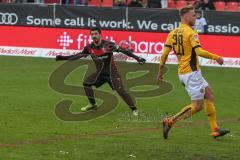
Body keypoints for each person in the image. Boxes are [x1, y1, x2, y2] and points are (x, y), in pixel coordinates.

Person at [156, 6, 230, 139]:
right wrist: (217, 57)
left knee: (209, 94)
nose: (195, 18)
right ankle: (170, 121)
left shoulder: (172, 33)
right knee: (197, 106)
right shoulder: (191, 32)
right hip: (192, 73)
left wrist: (160, 72)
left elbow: (164, 55)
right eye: (193, 16)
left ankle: (215, 129)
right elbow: (199, 52)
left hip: (184, 73)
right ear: (185, 17)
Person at [56, 27, 146, 116]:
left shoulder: (108, 45)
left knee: (120, 91)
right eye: (92, 34)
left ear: (100, 34)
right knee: (86, 83)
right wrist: (64, 58)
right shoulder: (89, 48)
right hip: (100, 74)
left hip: (112, 73)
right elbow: (79, 55)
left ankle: (134, 109)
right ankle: (93, 104)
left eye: (96, 34)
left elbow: (123, 50)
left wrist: (137, 58)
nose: (94, 36)